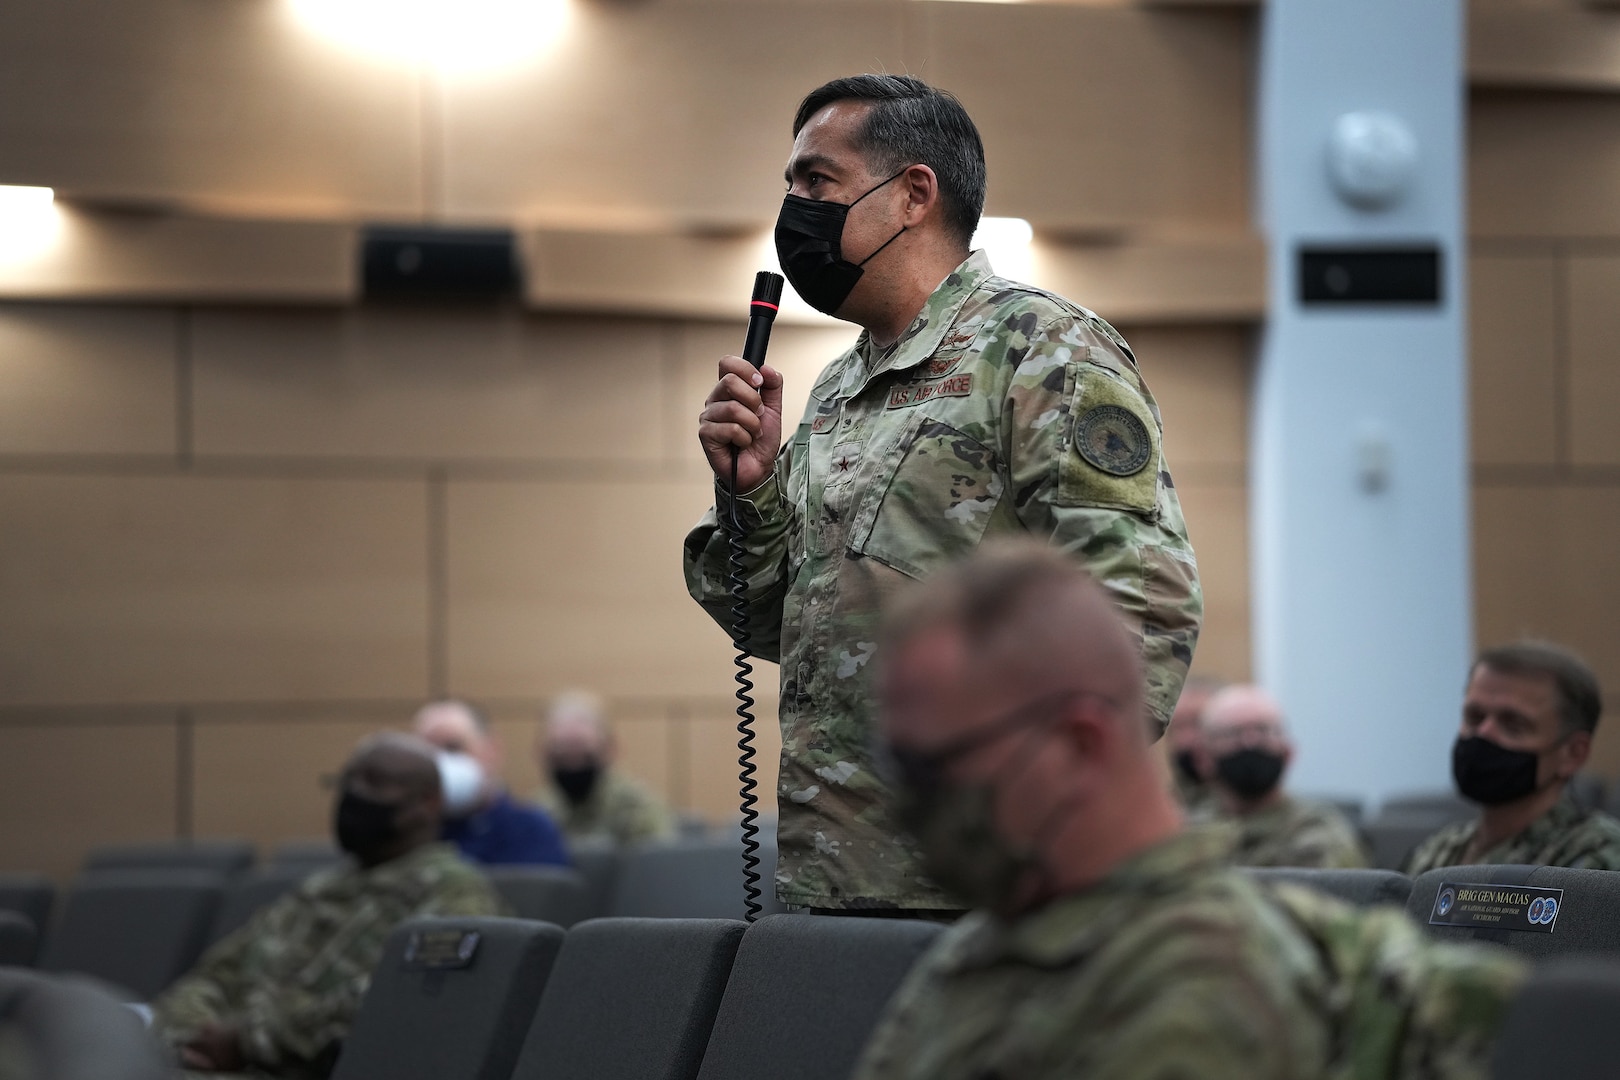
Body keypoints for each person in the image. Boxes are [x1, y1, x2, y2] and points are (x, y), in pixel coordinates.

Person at [683, 73, 1202, 913]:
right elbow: (784, 624)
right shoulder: (840, 388)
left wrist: (1041, 827)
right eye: (789, 187)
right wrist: (753, 496)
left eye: (817, 181)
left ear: (913, 193)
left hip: (985, 886)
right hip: (837, 880)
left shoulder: (1041, 346)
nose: (794, 210)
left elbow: (1139, 601)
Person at [853, 541, 1523, 1080]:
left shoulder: (1203, 989)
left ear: (1080, 745)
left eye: (934, 769)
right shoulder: (988, 944)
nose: (910, 802)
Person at [151, 734, 505, 1077]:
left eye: (376, 782)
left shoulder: (455, 894)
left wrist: (248, 1040)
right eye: (348, 779)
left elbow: (408, 1004)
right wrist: (190, 1033)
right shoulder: (318, 890)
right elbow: (215, 975)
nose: (354, 793)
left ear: (428, 802)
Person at [1403, 642, 1620, 875]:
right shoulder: (1438, 849)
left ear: (1573, 753)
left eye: (1513, 724)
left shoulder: (1595, 855)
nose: (1483, 733)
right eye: (1474, 717)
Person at [1196, 684, 1368, 869]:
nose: (1250, 743)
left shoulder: (1318, 832)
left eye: (1263, 731)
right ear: (1204, 759)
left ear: (1288, 752)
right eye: (1234, 733)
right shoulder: (1189, 830)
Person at [412, 698, 570, 866]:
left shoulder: (531, 829)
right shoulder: (408, 835)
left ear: (492, 750)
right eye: (427, 752)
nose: (440, 762)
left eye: (453, 747)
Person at [533, 691, 675, 846]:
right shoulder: (536, 813)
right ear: (543, 753)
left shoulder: (638, 809)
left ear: (610, 750)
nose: (572, 764)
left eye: (581, 747)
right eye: (561, 750)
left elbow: (660, 864)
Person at [1166, 675, 1222, 814]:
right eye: (1178, 727)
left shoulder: (1253, 806)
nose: (1186, 739)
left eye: (1197, 723)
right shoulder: (1165, 810)